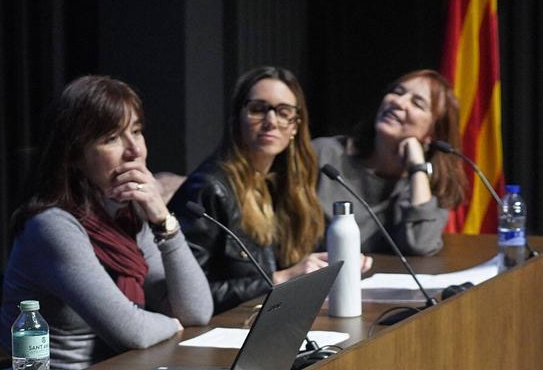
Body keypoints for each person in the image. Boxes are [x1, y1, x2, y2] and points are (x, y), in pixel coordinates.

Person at [2, 75, 213, 369]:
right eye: (112, 138)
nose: (135, 150)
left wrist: (163, 219)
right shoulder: (51, 226)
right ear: (74, 155)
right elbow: (133, 331)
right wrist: (172, 324)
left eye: (137, 132)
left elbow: (197, 311)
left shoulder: (127, 213)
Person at [171, 66, 336, 314]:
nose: (271, 122)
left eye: (283, 112)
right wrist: (279, 279)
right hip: (221, 331)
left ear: (295, 126)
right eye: (258, 109)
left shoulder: (289, 186)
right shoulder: (209, 188)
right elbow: (188, 296)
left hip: (276, 322)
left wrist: (341, 257)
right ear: (238, 118)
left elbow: (312, 257)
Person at [314, 69, 467, 255]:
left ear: (433, 133)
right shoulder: (324, 155)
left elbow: (420, 244)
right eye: (398, 92)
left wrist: (417, 169)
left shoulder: (427, 184)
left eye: (417, 103)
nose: (398, 102)